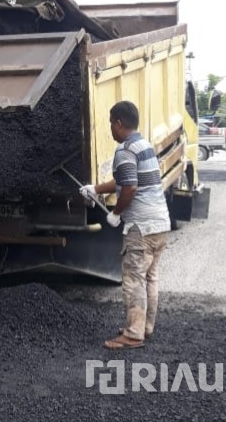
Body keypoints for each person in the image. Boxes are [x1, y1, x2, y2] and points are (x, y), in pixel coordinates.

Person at [80, 101, 171, 349]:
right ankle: (145, 327)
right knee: (150, 277)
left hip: (140, 228)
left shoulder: (124, 150)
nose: (110, 128)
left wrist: (116, 213)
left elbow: (130, 188)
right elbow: (124, 180)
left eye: (111, 123)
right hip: (160, 223)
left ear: (118, 123)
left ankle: (132, 335)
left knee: (133, 279)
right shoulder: (144, 146)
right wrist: (95, 189)